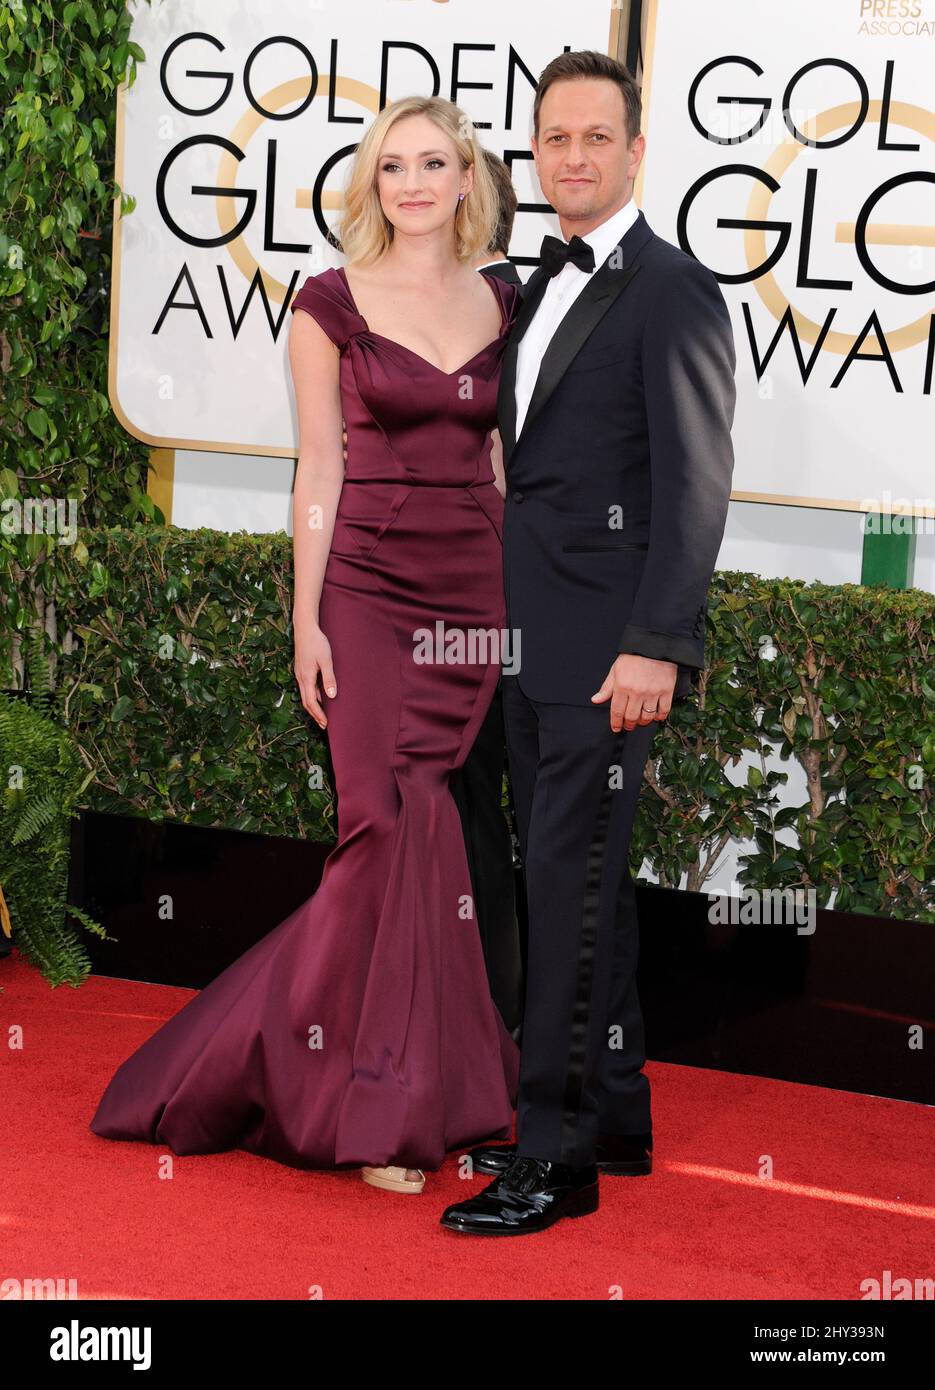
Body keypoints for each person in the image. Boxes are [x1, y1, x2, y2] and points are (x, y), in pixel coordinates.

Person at [90, 95, 522, 1197]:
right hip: (368, 591)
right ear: (369, 184)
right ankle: (350, 1092)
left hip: (467, 592)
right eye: (392, 166)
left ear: (467, 178)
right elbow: (317, 468)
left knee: (430, 834)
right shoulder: (326, 301)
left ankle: (428, 1088)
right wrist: (305, 619)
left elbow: (503, 468)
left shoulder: (503, 298)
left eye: (434, 163)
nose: (413, 183)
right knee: (378, 822)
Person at [440, 50, 736, 1236]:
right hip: (521, 641)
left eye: (592, 139)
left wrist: (656, 643)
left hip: (605, 655)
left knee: (564, 895)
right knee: (578, 887)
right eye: (551, 139)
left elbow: (696, 479)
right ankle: (611, 1107)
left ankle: (553, 1160)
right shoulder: (519, 283)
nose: (570, 158)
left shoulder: (671, 288)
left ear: (634, 149)